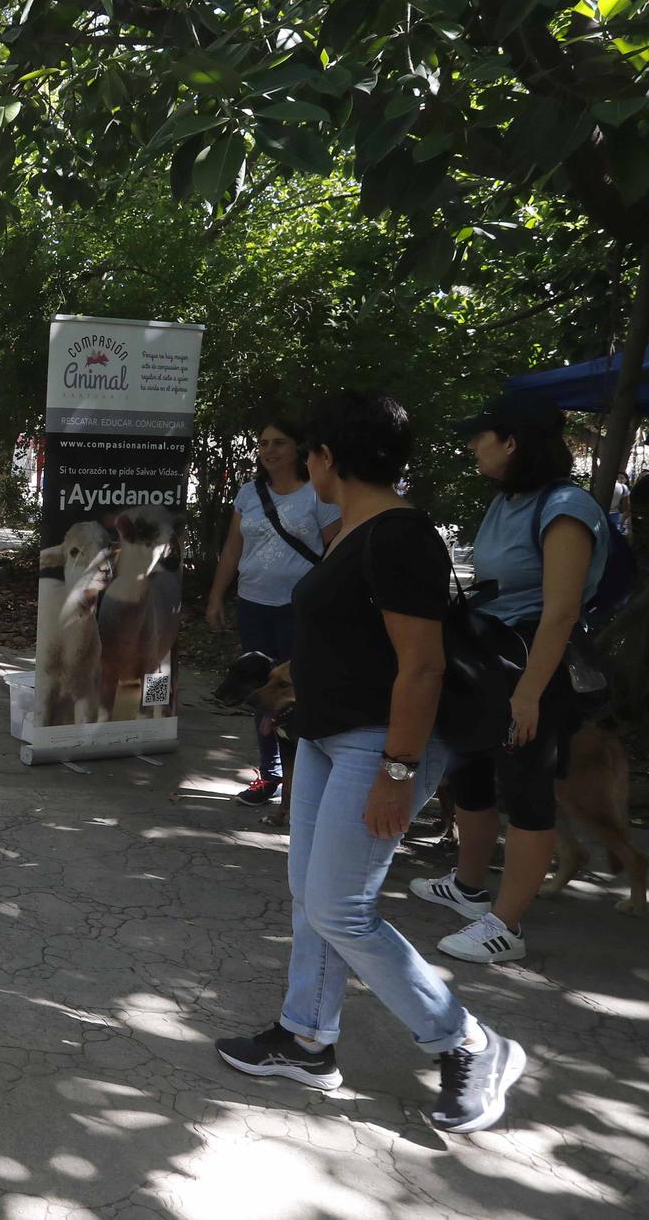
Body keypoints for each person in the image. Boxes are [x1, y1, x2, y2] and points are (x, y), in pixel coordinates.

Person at [214, 389, 525, 1134]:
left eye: (310, 453)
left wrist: (397, 768)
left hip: (376, 741)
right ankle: (307, 1037)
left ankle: (470, 1041)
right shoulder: (354, 526)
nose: (307, 464)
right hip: (326, 735)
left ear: (328, 457)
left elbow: (421, 667)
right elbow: (354, 639)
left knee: (341, 905)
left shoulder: (399, 535)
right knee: (310, 892)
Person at [409, 393, 606, 965]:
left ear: (512, 440)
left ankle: (507, 925)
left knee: (527, 791)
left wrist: (529, 694)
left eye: (481, 435)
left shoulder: (566, 507)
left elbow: (561, 610)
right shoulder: (508, 500)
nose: (473, 446)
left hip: (535, 670)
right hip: (488, 661)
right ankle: (469, 888)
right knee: (470, 768)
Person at [205, 417, 341, 807]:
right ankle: (271, 776)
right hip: (254, 606)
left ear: (298, 448)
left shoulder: (317, 493)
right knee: (261, 693)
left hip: (301, 612)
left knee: (302, 694)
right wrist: (217, 596)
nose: (269, 451)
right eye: (263, 443)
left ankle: (307, 784)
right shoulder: (249, 493)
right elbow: (232, 549)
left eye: (279, 442)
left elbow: (336, 552)